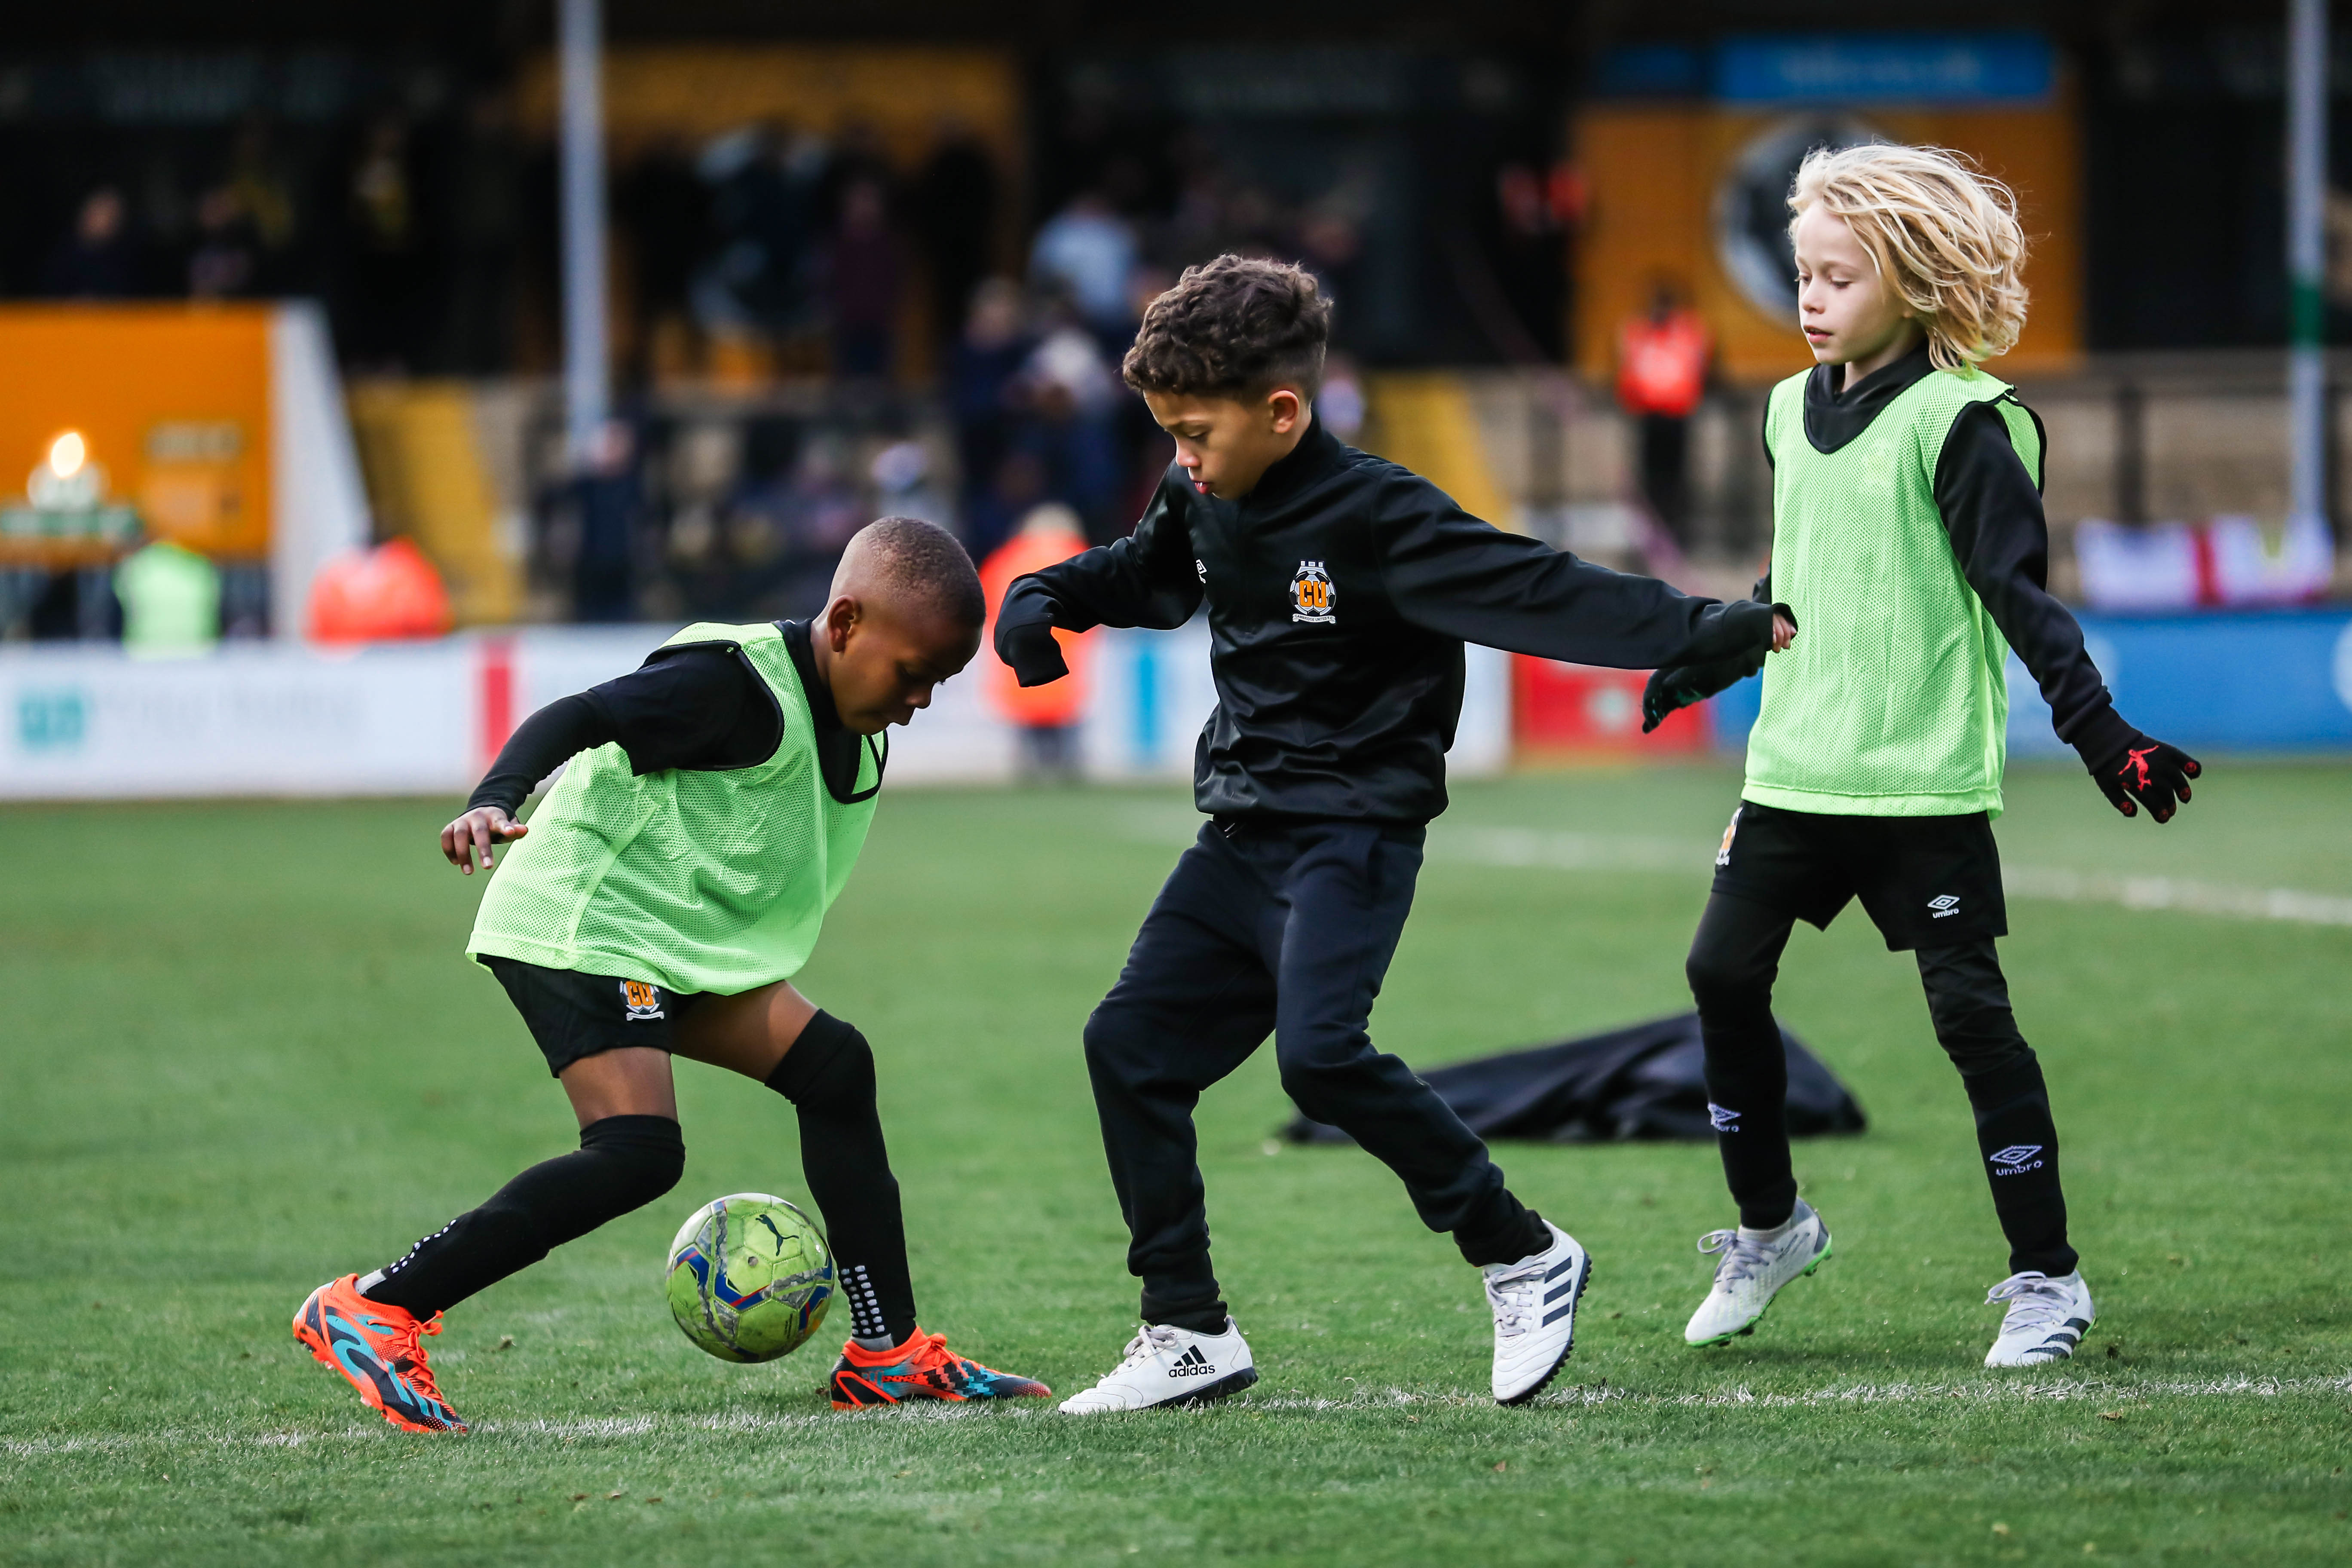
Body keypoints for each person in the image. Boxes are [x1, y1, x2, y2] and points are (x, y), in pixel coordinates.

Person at [995, 256, 1792, 1412]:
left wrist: (1700, 629)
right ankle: (1186, 1330)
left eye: (1195, 431)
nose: (1181, 458)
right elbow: (1149, 577)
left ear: (1281, 411)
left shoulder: (1379, 514)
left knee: (1320, 1056)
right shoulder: (1203, 496)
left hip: (1353, 833)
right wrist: (1049, 598)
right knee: (1128, 1049)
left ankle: (1521, 1251)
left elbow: (1537, 586)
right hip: (1241, 838)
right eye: (1166, 432)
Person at [293, 518, 1052, 1432]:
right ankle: (376, 1305)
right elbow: (583, 716)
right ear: (845, 623)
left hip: (677, 940)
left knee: (835, 1069)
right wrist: (494, 800)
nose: (924, 697)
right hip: (583, 921)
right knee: (637, 1152)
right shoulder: (730, 686)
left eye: (942, 679)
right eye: (913, 672)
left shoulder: (856, 709)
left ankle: (887, 1356)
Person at [1639, 144, 2203, 1369]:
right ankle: (1772, 1228)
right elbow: (1799, 581)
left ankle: (2048, 1279)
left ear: (1913, 281)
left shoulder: (1966, 424)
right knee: (1721, 974)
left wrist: (2101, 737)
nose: (1811, 297)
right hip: (1793, 768)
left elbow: (2022, 599)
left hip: (1918, 782)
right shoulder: (1788, 410)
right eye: (1804, 273)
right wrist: (1713, 653)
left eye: (1838, 276)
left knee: (1970, 1020)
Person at [979, 503, 1093, 781]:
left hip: (1018, 665)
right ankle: (1067, 773)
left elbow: (986, 608)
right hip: (1065, 664)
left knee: (1027, 738)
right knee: (1066, 739)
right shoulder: (1077, 555)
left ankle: (1029, 771)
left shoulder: (1005, 560)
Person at [1614, 280, 1710, 548]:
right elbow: (1627, 369)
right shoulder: (1637, 331)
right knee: (1649, 478)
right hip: (1649, 416)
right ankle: (1650, 535)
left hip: (1678, 415)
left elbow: (1701, 367)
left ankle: (1677, 534)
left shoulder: (1689, 331)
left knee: (1677, 478)